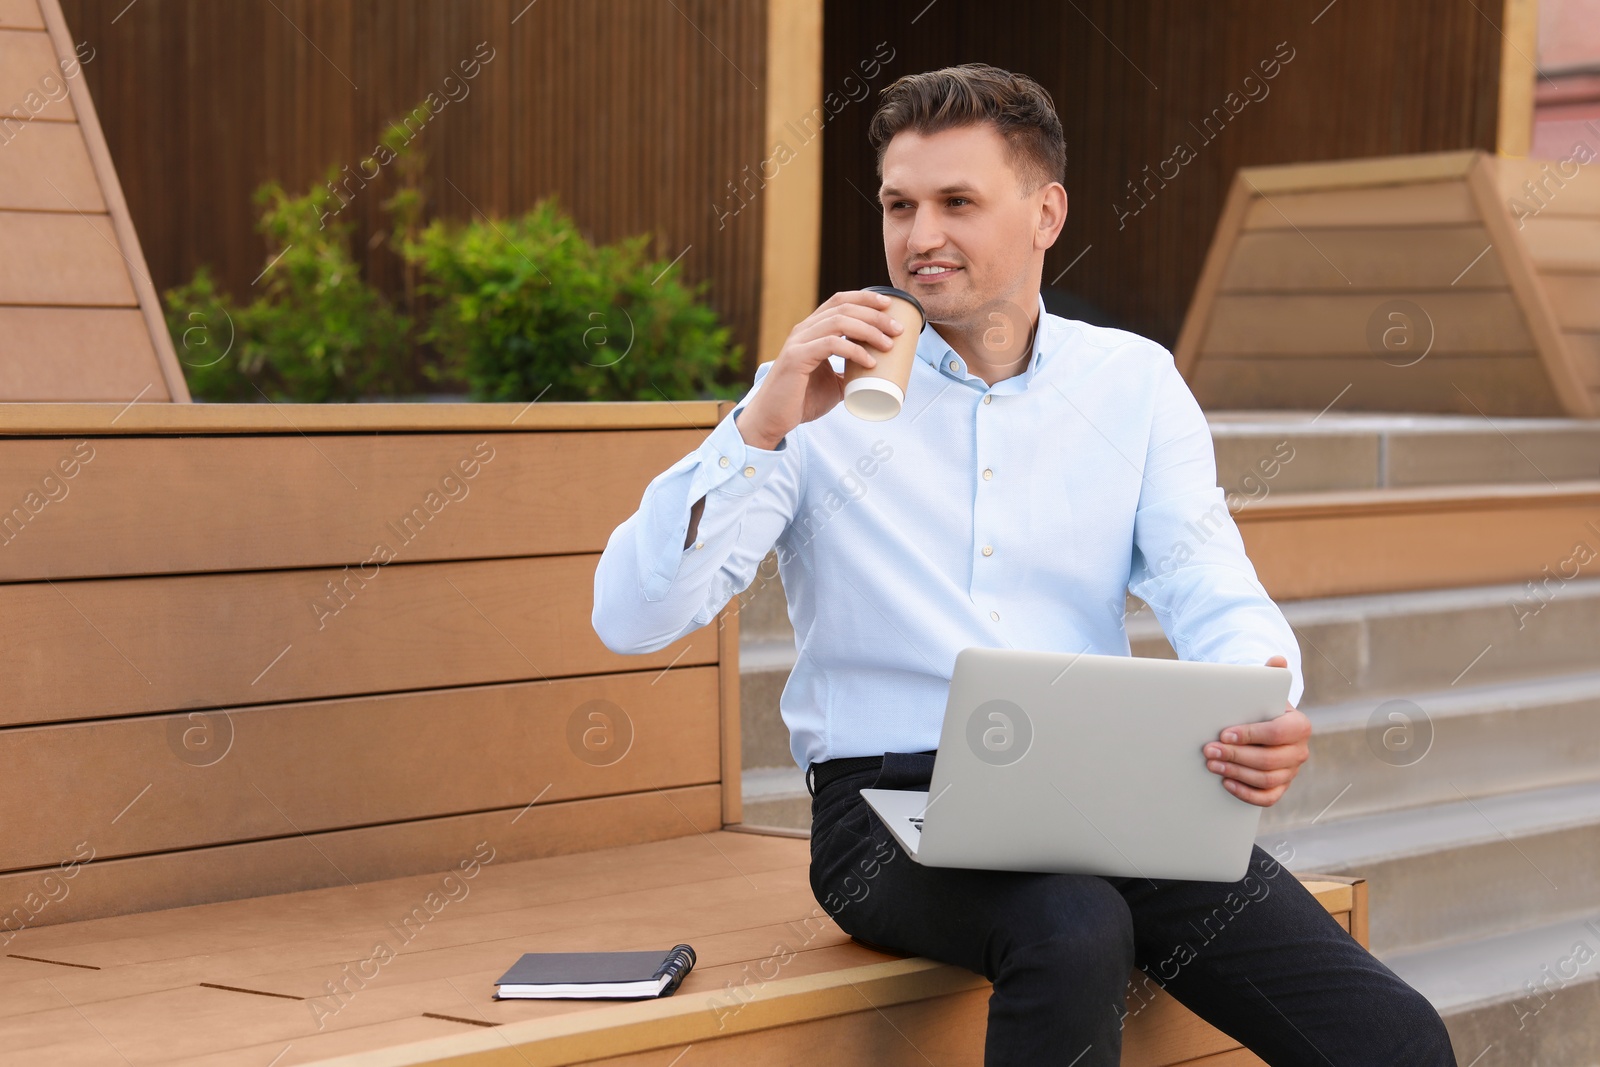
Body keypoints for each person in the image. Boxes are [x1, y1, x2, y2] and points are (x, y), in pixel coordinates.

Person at [593, 63, 1456, 1067]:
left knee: (1395, 1036)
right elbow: (632, 615)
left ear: (1046, 212)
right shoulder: (813, 394)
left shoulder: (1131, 382)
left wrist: (1261, 693)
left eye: (957, 202)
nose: (919, 237)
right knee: (1071, 925)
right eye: (897, 204)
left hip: (1094, 787)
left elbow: (1207, 577)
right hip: (883, 812)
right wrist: (762, 422)